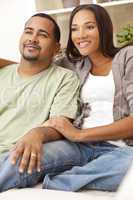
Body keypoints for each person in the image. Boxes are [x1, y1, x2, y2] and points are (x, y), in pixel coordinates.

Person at [42, 4, 133, 192]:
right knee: (25, 156)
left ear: (104, 28)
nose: (80, 35)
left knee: (128, 168)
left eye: (89, 27)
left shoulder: (127, 57)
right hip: (76, 147)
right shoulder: (71, 64)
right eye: (75, 29)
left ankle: (54, 186)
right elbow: (33, 66)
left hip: (120, 150)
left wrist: (78, 134)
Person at [0, 13, 81, 192]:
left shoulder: (64, 78)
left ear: (56, 47)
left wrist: (37, 133)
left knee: (16, 161)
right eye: (29, 32)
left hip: (15, 153)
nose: (33, 39)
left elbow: (61, 124)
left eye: (42, 35)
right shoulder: (3, 73)